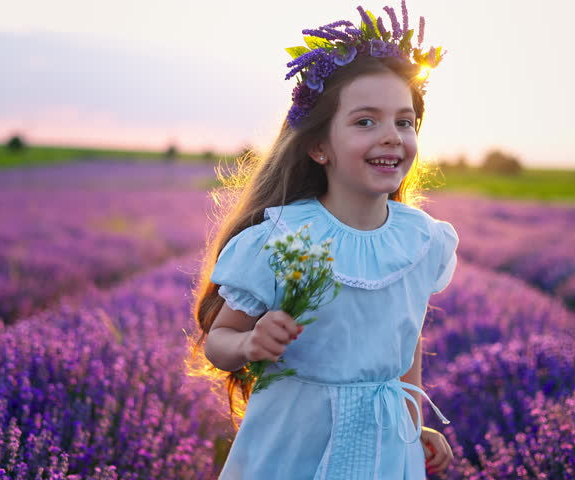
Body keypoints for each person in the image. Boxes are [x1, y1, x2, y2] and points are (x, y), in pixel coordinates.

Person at [188, 2, 458, 478]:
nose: (392, 136)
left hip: (384, 446)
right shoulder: (282, 237)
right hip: (295, 443)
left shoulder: (421, 238)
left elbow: (406, 345)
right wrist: (251, 342)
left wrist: (414, 426)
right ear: (318, 147)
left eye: (404, 121)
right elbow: (218, 341)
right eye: (365, 121)